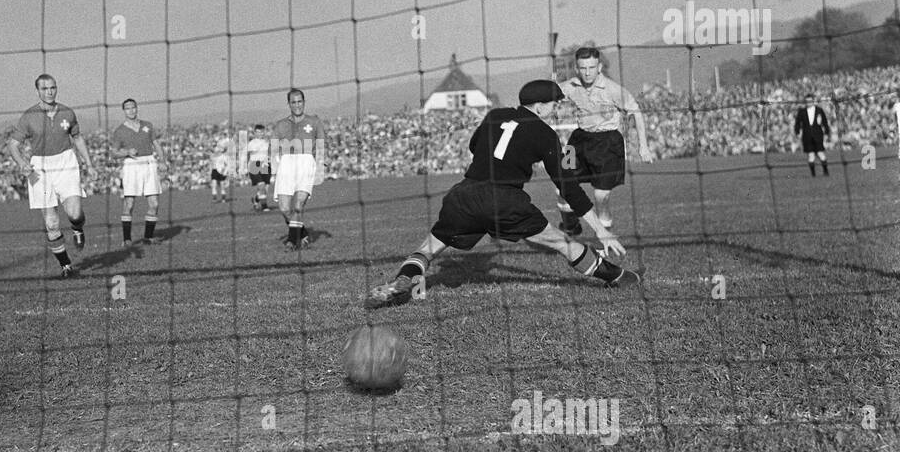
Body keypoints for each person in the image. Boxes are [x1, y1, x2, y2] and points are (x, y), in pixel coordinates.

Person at [368, 80, 637, 307]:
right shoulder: (545, 134)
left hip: (463, 196)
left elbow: (475, 146)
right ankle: (617, 276)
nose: (556, 110)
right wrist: (601, 229)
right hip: (505, 201)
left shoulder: (495, 115)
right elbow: (569, 187)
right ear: (540, 105)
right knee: (561, 243)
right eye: (554, 105)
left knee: (427, 249)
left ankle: (405, 280)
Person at [6, 73, 96, 278]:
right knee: (52, 223)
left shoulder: (67, 112)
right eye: (45, 89)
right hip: (40, 167)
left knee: (74, 213)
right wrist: (22, 163)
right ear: (37, 91)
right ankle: (66, 266)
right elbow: (12, 144)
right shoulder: (29, 116)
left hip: (66, 161)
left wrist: (89, 164)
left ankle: (78, 228)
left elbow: (78, 138)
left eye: (52, 88)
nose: (49, 92)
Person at [556, 47, 653, 235]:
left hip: (608, 143)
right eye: (583, 68)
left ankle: (604, 242)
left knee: (601, 196)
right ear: (576, 68)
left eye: (591, 67)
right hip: (579, 140)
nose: (587, 72)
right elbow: (547, 96)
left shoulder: (613, 89)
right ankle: (571, 226)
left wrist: (644, 146)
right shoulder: (570, 86)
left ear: (599, 67)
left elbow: (635, 111)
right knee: (562, 184)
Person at [271, 88, 326, 249]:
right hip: (286, 164)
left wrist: (321, 165)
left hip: (306, 162)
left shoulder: (314, 122)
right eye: (293, 102)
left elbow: (321, 146)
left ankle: (291, 240)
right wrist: (274, 165)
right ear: (289, 104)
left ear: (304, 102)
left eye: (300, 101)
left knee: (299, 205)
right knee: (284, 208)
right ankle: (302, 233)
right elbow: (273, 147)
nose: (297, 105)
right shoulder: (281, 125)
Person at [112, 98, 167, 245]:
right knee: (129, 204)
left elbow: (156, 144)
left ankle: (148, 237)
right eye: (128, 108)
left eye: (133, 107)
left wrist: (162, 161)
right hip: (131, 165)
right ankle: (127, 239)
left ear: (137, 108)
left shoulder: (147, 126)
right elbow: (114, 152)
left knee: (154, 203)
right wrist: (127, 152)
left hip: (149, 163)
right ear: (124, 111)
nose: (131, 110)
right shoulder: (120, 131)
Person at [794, 93, 832, 176]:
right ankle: (813, 174)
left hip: (818, 136)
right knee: (811, 156)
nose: (808, 103)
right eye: (807, 101)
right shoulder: (802, 112)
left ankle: (825, 171)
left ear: (813, 101)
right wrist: (797, 132)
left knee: (820, 153)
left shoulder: (819, 110)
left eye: (810, 101)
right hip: (807, 137)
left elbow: (825, 122)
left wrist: (826, 132)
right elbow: (797, 123)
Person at [241, 123, 273, 211]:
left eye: (262, 132)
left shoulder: (267, 143)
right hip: (254, 166)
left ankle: (256, 200)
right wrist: (243, 168)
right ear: (255, 133)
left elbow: (270, 154)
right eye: (258, 132)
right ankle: (264, 206)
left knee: (265, 189)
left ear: (264, 133)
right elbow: (244, 155)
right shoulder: (251, 144)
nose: (260, 134)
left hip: (265, 166)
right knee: (261, 185)